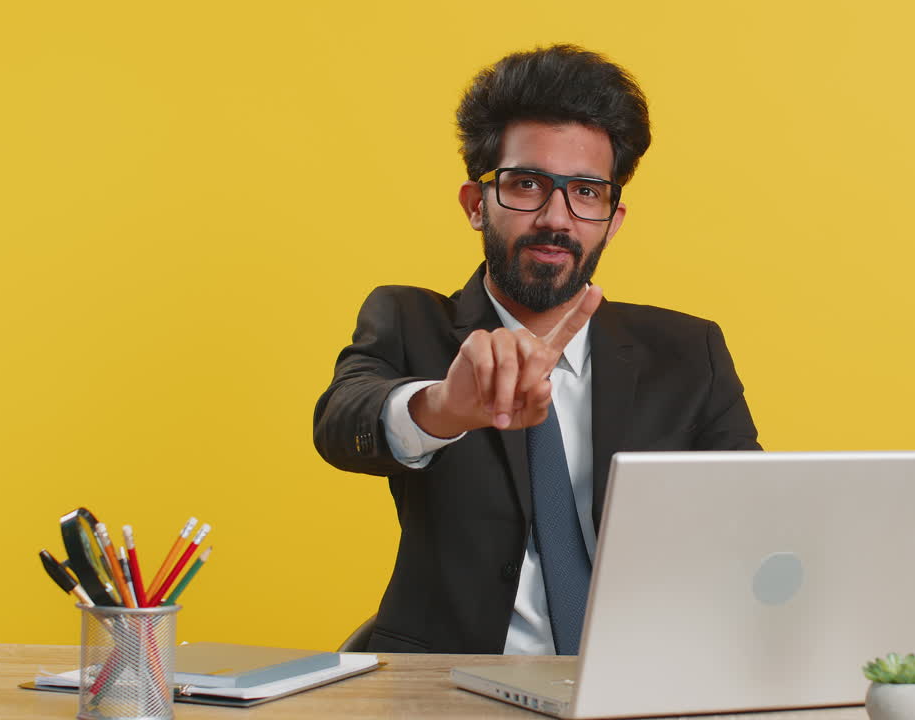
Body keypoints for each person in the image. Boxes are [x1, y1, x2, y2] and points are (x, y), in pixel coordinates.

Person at [313, 45, 760, 656]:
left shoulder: (688, 351)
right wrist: (443, 407)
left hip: (640, 684)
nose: (557, 217)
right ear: (477, 204)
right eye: (526, 184)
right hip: (450, 686)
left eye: (586, 192)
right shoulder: (408, 321)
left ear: (612, 217)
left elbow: (758, 516)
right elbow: (344, 422)